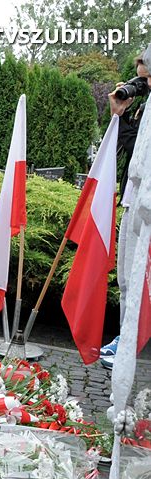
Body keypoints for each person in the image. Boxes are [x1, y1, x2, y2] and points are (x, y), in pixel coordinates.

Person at [101, 55, 151, 368]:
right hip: (133, 202)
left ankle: (132, 339)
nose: (143, 85)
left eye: (147, 79)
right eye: (141, 79)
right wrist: (120, 115)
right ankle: (126, 335)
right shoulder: (144, 109)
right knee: (126, 279)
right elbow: (129, 153)